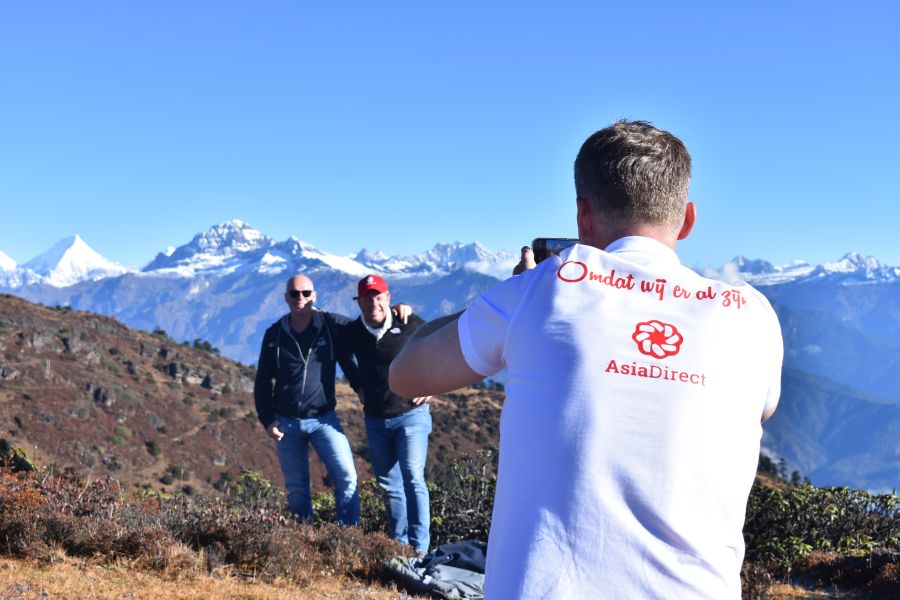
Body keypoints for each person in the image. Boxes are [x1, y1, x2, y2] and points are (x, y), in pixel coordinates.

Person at [390, 120, 784, 599]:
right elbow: (761, 407)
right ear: (687, 220)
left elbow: (405, 375)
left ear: (583, 216)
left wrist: (504, 296)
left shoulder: (540, 290)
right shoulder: (751, 314)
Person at [253, 275, 412, 525]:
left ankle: (346, 537)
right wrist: (267, 420)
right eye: (294, 294)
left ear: (314, 296)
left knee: (347, 478)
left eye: (306, 293)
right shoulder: (275, 334)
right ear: (286, 298)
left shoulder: (331, 324)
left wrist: (397, 311)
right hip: (286, 423)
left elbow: (368, 326)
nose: (300, 298)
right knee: (297, 489)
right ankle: (301, 541)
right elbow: (262, 380)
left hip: (324, 420)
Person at [341, 274, 432, 554]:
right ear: (358, 302)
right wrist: (358, 387)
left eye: (379, 297)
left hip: (411, 415)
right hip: (376, 420)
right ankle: (399, 547)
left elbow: (438, 346)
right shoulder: (353, 332)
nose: (374, 304)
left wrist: (433, 385)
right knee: (390, 485)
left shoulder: (409, 323)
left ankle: (420, 549)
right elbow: (344, 357)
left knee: (413, 477)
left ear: (388, 298)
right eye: (367, 299)